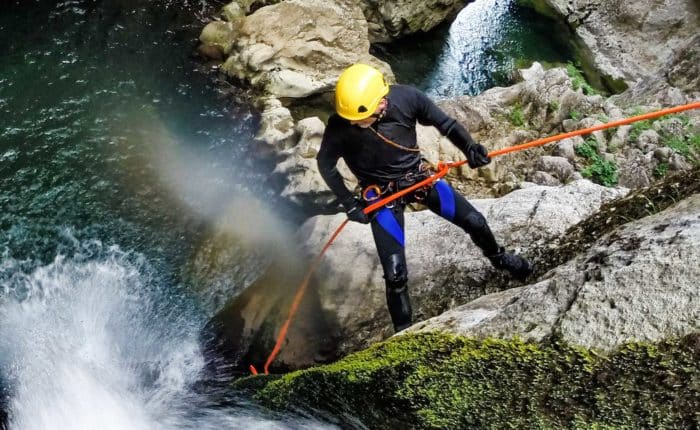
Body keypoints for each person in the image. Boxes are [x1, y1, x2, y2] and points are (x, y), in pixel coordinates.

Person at [316, 63, 533, 333]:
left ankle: (499, 258)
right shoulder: (340, 125)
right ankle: (404, 332)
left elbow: (446, 123)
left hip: (419, 178)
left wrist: (470, 148)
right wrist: (349, 204)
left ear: (381, 102)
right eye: (351, 118)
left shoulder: (407, 98)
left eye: (361, 118)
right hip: (381, 195)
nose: (354, 123)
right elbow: (325, 164)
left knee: (475, 221)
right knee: (396, 277)